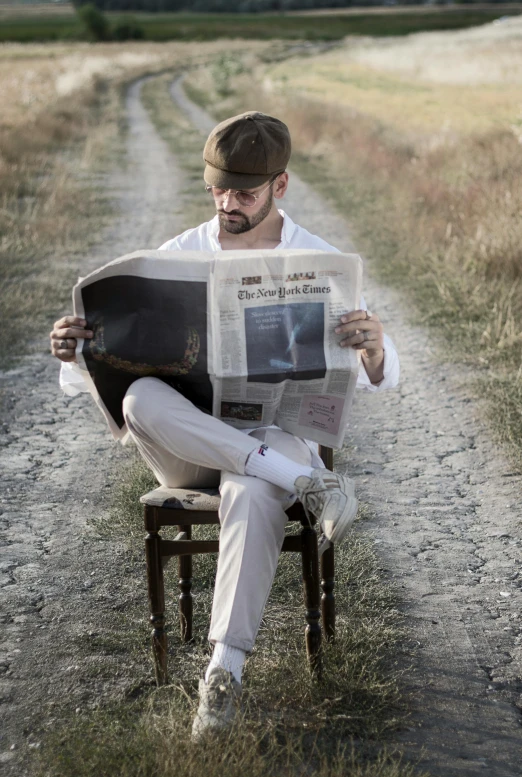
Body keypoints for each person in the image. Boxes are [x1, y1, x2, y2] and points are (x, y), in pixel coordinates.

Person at [50, 111, 399, 741]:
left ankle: (222, 675)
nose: (227, 204)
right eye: (218, 190)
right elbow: (101, 378)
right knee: (140, 402)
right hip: (187, 445)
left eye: (244, 193)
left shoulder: (316, 258)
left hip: (271, 437)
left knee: (250, 485)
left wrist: (372, 348)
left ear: (280, 186)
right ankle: (307, 482)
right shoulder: (180, 254)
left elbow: (380, 373)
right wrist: (76, 350)